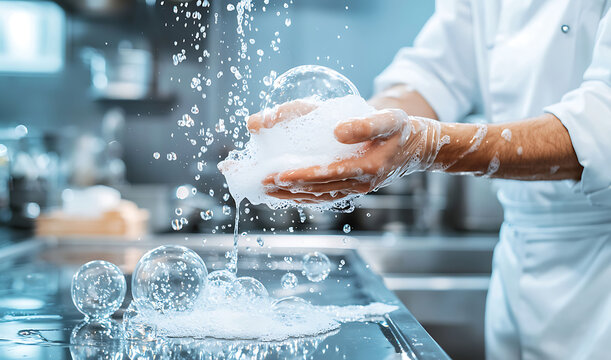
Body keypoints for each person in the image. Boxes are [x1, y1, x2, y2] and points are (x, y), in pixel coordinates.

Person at [246, 1, 611, 359]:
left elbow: (602, 122)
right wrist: (349, 128)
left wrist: (430, 145)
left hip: (599, 280)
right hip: (516, 256)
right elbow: (433, 75)